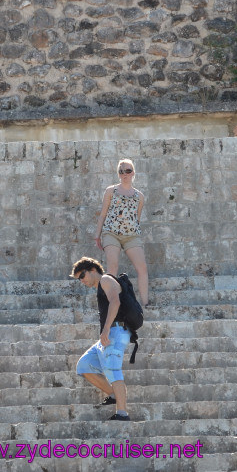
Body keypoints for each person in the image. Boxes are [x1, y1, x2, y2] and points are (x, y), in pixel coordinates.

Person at [71, 256, 132, 421]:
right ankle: (113, 394)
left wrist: (106, 329)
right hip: (111, 332)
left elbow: (115, 302)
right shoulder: (100, 286)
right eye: (78, 279)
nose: (81, 281)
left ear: (92, 270)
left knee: (113, 370)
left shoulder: (105, 279)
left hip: (116, 331)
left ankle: (122, 413)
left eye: (82, 276)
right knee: (84, 365)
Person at [94, 158, 150, 305]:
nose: (125, 174)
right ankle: (110, 303)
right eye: (121, 171)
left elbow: (136, 218)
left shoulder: (140, 197)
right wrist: (97, 235)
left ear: (133, 173)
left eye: (128, 170)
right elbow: (103, 214)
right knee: (112, 266)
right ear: (118, 174)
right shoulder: (111, 191)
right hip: (111, 233)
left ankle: (145, 303)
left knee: (142, 267)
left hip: (131, 236)